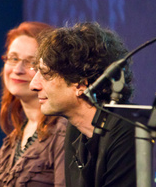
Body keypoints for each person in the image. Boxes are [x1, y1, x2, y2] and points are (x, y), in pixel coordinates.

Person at [29, 22, 136, 187]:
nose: (33, 85)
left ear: (80, 85)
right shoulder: (76, 129)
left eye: (45, 74)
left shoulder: (126, 133)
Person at [0, 22, 67, 187]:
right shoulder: (15, 138)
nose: (17, 69)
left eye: (31, 63)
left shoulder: (63, 130)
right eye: (13, 58)